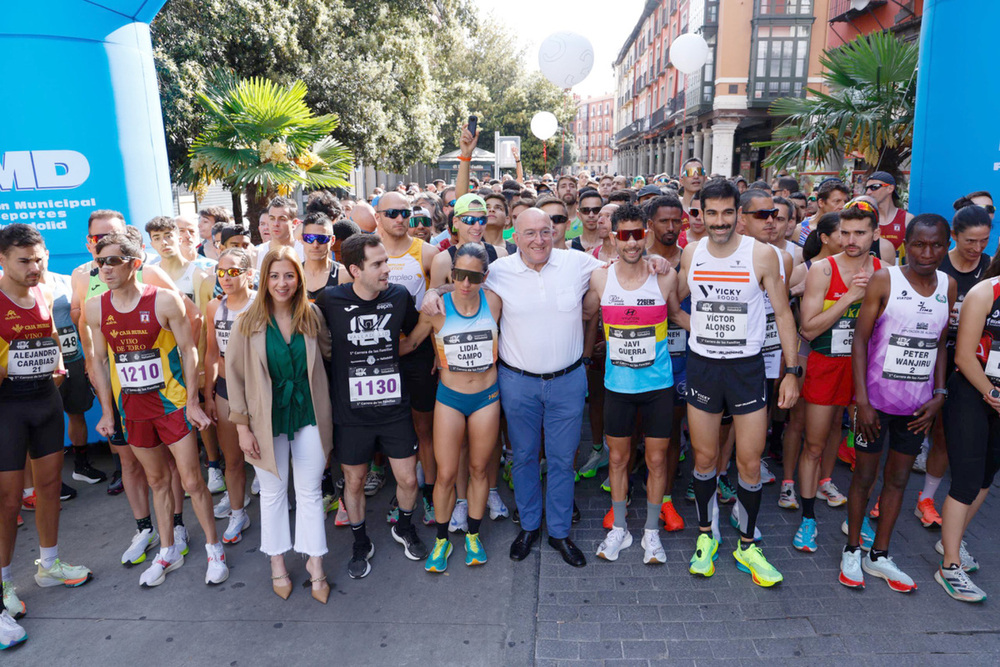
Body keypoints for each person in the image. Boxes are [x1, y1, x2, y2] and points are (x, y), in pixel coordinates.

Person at [423, 208, 670, 568]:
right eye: (529, 233)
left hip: (568, 381)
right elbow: (465, 281)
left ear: (556, 230)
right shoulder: (501, 271)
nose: (539, 240)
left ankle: (558, 532)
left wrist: (657, 259)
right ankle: (530, 527)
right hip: (517, 381)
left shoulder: (579, 264)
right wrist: (435, 289)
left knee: (561, 460)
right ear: (515, 236)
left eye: (545, 230)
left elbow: (624, 261)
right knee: (523, 458)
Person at [85, 232, 228, 588]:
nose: (105, 268)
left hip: (171, 404)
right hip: (133, 408)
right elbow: (100, 361)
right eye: (100, 262)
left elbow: (188, 350)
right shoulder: (95, 307)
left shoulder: (164, 301)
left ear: (135, 263)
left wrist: (193, 401)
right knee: (156, 481)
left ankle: (214, 549)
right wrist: (107, 412)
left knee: (194, 482)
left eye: (113, 261)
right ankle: (167, 551)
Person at [677, 178, 799, 587]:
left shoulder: (762, 255)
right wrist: (695, 327)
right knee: (705, 458)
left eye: (728, 212)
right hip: (704, 367)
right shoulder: (691, 253)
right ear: (700, 214)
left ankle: (747, 545)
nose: (720, 221)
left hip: (747, 369)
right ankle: (706, 538)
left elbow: (783, 315)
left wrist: (791, 371)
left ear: (739, 215)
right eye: (710, 213)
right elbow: (674, 299)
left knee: (749, 461)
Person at [71, 210, 198, 564]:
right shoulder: (82, 277)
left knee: (167, 466)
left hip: (162, 392)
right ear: (89, 243)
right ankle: (144, 529)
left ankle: (176, 525)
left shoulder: (150, 272)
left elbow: (189, 319)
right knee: (127, 461)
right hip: (117, 388)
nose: (105, 246)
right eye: (99, 241)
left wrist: (187, 378)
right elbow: (86, 329)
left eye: (114, 236)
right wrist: (93, 371)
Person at [844, 214, 953, 592]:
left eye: (937, 244)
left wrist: (939, 395)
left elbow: (940, 344)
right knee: (864, 477)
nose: (927, 252)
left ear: (946, 245)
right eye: (919, 244)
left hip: (918, 408)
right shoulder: (885, 279)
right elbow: (860, 341)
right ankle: (852, 549)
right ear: (906, 243)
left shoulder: (948, 285)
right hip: (875, 403)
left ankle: (880, 554)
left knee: (899, 479)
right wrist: (863, 400)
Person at [315, 235, 429, 579]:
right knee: (354, 481)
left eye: (386, 262)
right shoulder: (329, 300)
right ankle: (360, 541)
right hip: (351, 415)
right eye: (377, 264)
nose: (387, 270)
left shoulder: (398, 296)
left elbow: (412, 338)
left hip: (393, 408)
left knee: (408, 479)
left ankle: (404, 527)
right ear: (354, 269)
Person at [225, 246, 333, 603]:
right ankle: (277, 565)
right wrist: (242, 427)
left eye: (289, 275)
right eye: (274, 276)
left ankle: (315, 565)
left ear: (299, 279)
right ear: (263, 278)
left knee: (310, 491)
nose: (282, 283)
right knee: (272, 493)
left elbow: (332, 356)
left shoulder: (312, 315)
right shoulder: (247, 321)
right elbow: (234, 377)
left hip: (309, 413)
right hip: (264, 420)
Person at [0, 224, 92, 642]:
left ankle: (49, 565)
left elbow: (49, 337)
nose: (35, 267)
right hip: (8, 407)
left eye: (40, 259)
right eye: (24, 261)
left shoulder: (42, 292)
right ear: (3, 261)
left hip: (45, 401)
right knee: (7, 498)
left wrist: (53, 361)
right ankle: (3, 582)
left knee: (51, 485)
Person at [583, 204, 688, 564]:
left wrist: (726, 339)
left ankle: (651, 533)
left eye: (636, 234)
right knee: (617, 458)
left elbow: (676, 315)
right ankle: (620, 529)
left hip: (657, 385)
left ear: (646, 232)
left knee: (658, 460)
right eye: (623, 235)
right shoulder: (600, 277)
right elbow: (582, 313)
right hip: (618, 386)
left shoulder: (665, 276)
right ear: (612, 235)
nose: (630, 242)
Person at [402, 244, 502, 572]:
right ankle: (442, 540)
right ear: (452, 272)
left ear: (484, 277)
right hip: (450, 397)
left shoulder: (495, 302)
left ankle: (473, 534)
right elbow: (412, 342)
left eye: (474, 276)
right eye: (459, 274)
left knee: (478, 469)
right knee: (445, 474)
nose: (465, 283)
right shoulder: (436, 308)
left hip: (486, 397)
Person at [794, 201, 885, 553]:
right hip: (827, 362)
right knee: (814, 444)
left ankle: (856, 518)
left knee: (866, 451)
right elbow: (808, 328)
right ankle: (807, 519)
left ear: (874, 234)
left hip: (867, 372)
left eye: (860, 233)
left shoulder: (884, 270)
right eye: (845, 232)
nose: (851, 239)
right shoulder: (823, 270)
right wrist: (850, 298)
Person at [920, 206, 993, 529]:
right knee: (920, 426)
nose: (977, 248)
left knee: (946, 436)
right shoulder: (938, 263)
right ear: (954, 236)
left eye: (984, 241)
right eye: (970, 241)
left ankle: (929, 497)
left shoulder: (990, 268)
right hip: (933, 355)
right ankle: (896, 493)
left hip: (974, 364)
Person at [937, 231, 1000, 602]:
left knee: (986, 477)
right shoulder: (986, 292)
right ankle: (949, 565)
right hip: (972, 393)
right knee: (966, 479)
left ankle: (953, 541)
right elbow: (962, 356)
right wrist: (992, 394)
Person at [376, 190, 440, 524]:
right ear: (378, 218)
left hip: (418, 353)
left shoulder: (427, 254)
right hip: (380, 356)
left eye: (407, 213)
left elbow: (441, 307)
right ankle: (403, 492)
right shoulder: (367, 251)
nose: (402, 219)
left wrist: (436, 350)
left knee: (424, 430)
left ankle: (429, 495)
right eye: (393, 214)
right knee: (393, 429)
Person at [780, 213, 843, 510]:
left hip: (841, 355)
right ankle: (789, 483)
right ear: (826, 237)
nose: (851, 239)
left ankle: (824, 480)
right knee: (799, 419)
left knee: (833, 424)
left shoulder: (858, 270)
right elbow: (778, 304)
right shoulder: (804, 268)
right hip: (806, 350)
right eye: (844, 233)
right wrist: (798, 291)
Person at [203, 249, 256, 542]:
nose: (226, 277)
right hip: (225, 390)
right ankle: (238, 513)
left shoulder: (262, 303)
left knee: (268, 454)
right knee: (232, 459)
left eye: (233, 271)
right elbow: (211, 353)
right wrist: (209, 396)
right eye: (221, 272)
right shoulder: (214, 307)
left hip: (260, 390)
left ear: (248, 273)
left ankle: (278, 502)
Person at [645, 194, 689, 531]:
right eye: (664, 221)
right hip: (638, 358)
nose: (671, 227)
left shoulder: (691, 258)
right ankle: (637, 491)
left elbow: (679, 305)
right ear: (651, 223)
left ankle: (667, 498)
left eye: (677, 220)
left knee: (671, 431)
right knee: (634, 433)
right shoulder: (635, 255)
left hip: (681, 357)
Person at [864, 171, 912, 261]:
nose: (868, 192)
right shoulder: (865, 218)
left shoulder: (907, 218)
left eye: (874, 187)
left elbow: (910, 256)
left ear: (890, 188)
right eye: (867, 188)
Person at [301, 213, 348, 300]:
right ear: (302, 239)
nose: (315, 245)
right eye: (309, 238)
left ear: (332, 240)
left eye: (322, 238)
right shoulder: (293, 274)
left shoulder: (345, 275)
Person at [256, 197, 305, 274]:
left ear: (294, 223)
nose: (276, 224)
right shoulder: (257, 253)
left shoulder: (305, 252)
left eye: (282, 219)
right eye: (272, 218)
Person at [796, 180, 851, 244]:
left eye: (845, 202)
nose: (842, 206)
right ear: (821, 202)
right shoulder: (800, 231)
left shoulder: (848, 230)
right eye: (837, 201)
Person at [570, 189, 604, 254]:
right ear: (579, 215)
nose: (591, 215)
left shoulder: (613, 245)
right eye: (585, 210)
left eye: (596, 210)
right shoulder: (569, 247)